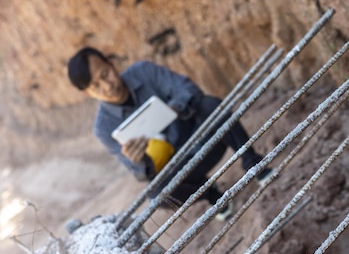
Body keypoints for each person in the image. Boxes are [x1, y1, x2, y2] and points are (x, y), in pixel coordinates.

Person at [67, 47, 271, 220]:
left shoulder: (143, 71)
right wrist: (139, 160)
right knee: (157, 194)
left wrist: (171, 110)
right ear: (87, 93)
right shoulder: (103, 128)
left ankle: (252, 162)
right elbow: (140, 174)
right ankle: (212, 195)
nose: (107, 85)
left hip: (203, 137)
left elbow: (188, 89)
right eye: (96, 86)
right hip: (182, 169)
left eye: (105, 74)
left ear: (111, 63)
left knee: (210, 104)